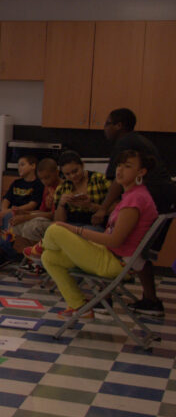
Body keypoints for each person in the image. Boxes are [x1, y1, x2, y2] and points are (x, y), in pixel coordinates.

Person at [40, 149, 158, 319]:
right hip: (110, 256)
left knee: (54, 229)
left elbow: (114, 241)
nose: (120, 170)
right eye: (119, 165)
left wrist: (78, 231)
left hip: (114, 262)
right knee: (49, 257)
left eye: (127, 166)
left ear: (141, 172)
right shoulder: (132, 195)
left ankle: (38, 247)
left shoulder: (135, 200)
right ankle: (79, 306)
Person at [92, 108, 176, 316]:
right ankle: (150, 300)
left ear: (119, 125)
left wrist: (103, 209)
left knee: (116, 238)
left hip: (153, 198)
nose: (105, 129)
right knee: (139, 251)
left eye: (107, 123)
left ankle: (105, 298)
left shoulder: (125, 143)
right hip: (165, 199)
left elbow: (117, 183)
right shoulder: (137, 140)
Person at [0, 155, 43, 267]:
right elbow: (6, 199)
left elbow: (32, 204)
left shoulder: (38, 184)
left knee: (8, 216)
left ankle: (5, 253)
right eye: (18, 165)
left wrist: (9, 212)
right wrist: (4, 210)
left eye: (22, 164)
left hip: (24, 214)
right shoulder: (16, 183)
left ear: (33, 166)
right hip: (9, 211)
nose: (19, 168)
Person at [9, 158, 62, 254]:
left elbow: (53, 215)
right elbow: (43, 210)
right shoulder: (47, 187)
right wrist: (25, 213)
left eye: (47, 177)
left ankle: (37, 257)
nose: (44, 181)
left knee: (33, 226)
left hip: (58, 222)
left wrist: (27, 217)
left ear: (57, 172)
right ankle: (25, 256)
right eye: (41, 179)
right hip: (46, 217)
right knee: (15, 224)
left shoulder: (61, 187)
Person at [52, 150, 110, 227]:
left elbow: (116, 208)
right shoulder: (62, 188)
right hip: (70, 225)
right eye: (67, 174)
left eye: (75, 171)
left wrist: (90, 206)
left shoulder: (99, 180)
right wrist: (61, 205)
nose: (72, 176)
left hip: (94, 226)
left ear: (82, 165)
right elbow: (58, 222)